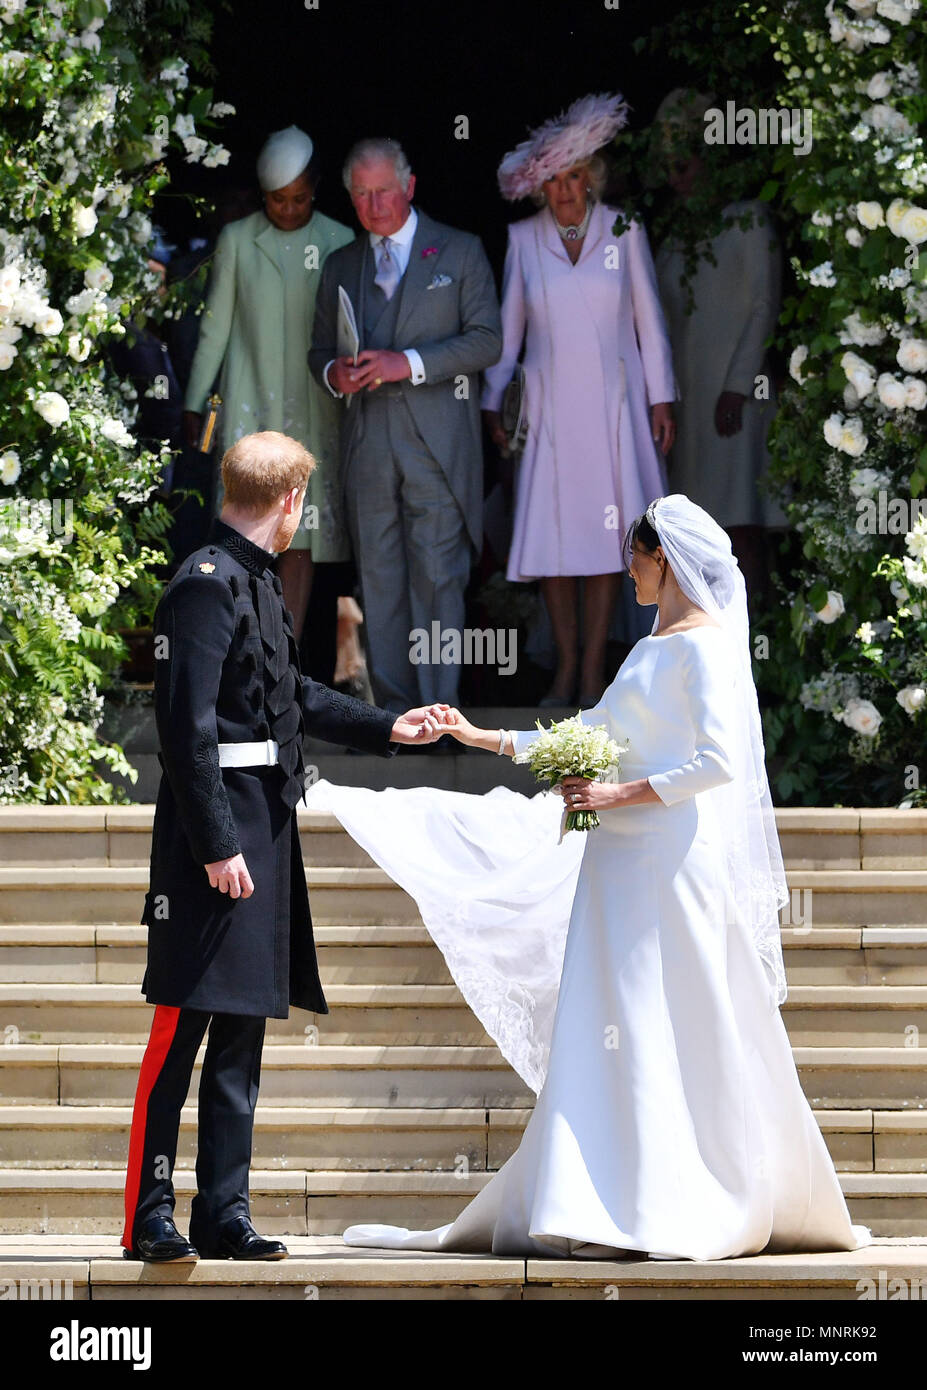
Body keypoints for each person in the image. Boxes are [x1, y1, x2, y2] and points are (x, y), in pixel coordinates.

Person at [309, 494, 871, 1259]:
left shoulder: (701, 646)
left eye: (635, 558)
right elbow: (590, 736)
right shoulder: (650, 647)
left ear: (663, 560)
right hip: (616, 867)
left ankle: (673, 1198)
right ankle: (601, 1196)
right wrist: (474, 734)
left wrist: (615, 794)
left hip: (668, 864)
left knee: (668, 1016)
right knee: (614, 1024)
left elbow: (716, 763)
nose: (629, 570)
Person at [121, 431, 447, 1264]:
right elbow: (184, 732)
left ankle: (222, 1210)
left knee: (241, 1033)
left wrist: (388, 726)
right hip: (213, 835)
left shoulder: (255, 583)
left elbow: (290, 695)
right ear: (292, 502)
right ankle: (149, 1214)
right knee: (180, 1031)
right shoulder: (202, 586)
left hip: (260, 826)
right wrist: (216, 845)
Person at [481, 93, 677, 707]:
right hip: (548, 411)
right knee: (555, 546)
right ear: (541, 187)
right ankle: (566, 667)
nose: (565, 190)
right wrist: (492, 400)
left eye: (574, 177)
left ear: (590, 179)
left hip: (613, 409)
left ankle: (593, 670)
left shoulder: (625, 228)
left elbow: (651, 323)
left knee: (605, 545)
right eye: (555, 181)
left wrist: (661, 400)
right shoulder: (521, 238)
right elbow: (509, 331)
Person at [309, 137, 502, 716]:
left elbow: (488, 340)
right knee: (380, 579)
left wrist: (408, 363)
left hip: (438, 445)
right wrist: (332, 374)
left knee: (440, 577)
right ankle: (395, 714)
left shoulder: (461, 251)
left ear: (410, 187)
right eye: (362, 194)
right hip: (367, 443)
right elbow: (318, 350)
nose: (374, 205)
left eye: (384, 191)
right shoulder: (342, 262)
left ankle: (441, 711)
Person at [182, 125, 354, 645]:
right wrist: (194, 401)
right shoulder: (237, 239)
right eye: (278, 199)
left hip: (316, 404)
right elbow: (215, 327)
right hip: (249, 401)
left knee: (302, 530)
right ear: (263, 196)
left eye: (299, 198)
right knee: (246, 525)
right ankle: (242, 651)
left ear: (315, 189)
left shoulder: (339, 239)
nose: (288, 209)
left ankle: (289, 653)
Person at [652, 89, 786, 607]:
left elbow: (763, 306)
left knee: (740, 521)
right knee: (697, 532)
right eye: (670, 166)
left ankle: (761, 646)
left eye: (686, 162)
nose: (678, 175)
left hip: (735, 399)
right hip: (688, 405)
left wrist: (737, 387)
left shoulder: (749, 219)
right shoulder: (674, 240)